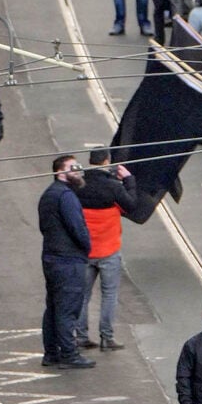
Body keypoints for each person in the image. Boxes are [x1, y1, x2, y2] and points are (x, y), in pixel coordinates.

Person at [75, 147, 137, 352]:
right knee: (109, 294)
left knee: (83, 295)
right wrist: (128, 180)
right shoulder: (113, 187)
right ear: (106, 161)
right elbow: (131, 206)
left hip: (85, 250)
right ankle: (107, 337)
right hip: (108, 249)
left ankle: (81, 336)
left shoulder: (78, 185)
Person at [38, 155, 94, 369]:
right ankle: (69, 354)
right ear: (61, 173)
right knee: (67, 309)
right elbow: (77, 228)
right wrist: (86, 246)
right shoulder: (66, 196)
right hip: (68, 260)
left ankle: (51, 353)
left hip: (51, 257)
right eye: (73, 168)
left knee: (53, 306)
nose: (79, 171)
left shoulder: (48, 194)